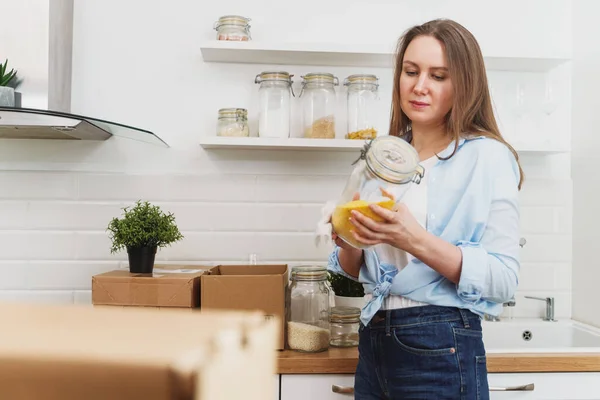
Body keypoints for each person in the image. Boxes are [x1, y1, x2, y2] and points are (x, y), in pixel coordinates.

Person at [326, 18, 523, 399]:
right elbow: (353, 269)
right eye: (411, 71)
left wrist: (413, 239)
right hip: (373, 338)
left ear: (464, 84)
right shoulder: (382, 156)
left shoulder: (488, 157)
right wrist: (350, 239)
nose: (419, 86)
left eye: (438, 76)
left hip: (441, 341)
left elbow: (503, 279)